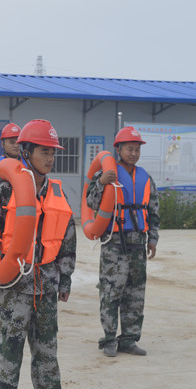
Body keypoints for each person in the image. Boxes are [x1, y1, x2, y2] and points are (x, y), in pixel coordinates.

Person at [0, 119, 76, 389]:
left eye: (53, 153)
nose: (50, 158)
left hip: (46, 284)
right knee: (10, 348)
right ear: (26, 152)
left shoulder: (56, 191)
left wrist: (65, 279)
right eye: (44, 152)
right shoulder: (7, 189)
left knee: (47, 351)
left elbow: (67, 239)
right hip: (14, 284)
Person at [86, 126, 159, 357]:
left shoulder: (146, 177)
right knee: (111, 292)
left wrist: (153, 239)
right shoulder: (107, 174)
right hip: (114, 244)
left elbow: (153, 211)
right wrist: (101, 183)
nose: (134, 153)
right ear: (118, 149)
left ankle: (129, 339)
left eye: (137, 149)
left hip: (138, 244)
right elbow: (91, 203)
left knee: (135, 294)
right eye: (130, 149)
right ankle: (109, 339)